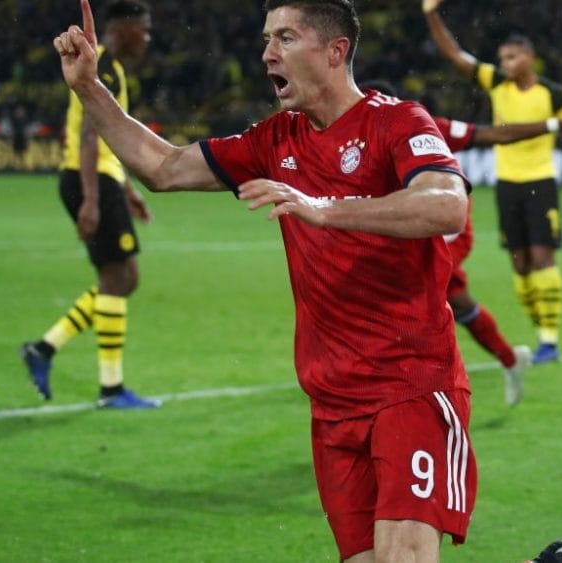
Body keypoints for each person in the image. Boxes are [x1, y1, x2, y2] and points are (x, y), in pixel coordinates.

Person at [53, 0, 474, 560]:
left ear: (334, 51)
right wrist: (89, 87)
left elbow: (447, 206)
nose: (266, 53)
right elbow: (164, 168)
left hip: (411, 387)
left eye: (284, 38)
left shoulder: (397, 122)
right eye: (266, 39)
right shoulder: (275, 141)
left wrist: (326, 209)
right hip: (331, 403)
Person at [360, 79, 562, 406]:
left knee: (408, 293)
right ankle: (508, 360)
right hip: (404, 232)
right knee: (457, 301)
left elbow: (496, 133)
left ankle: (405, 379)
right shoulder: (354, 138)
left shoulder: (424, 126)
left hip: (446, 231)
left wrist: (559, 123)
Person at [423, 0, 562, 365]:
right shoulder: (496, 83)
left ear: (529, 58)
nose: (504, 64)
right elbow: (455, 55)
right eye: (501, 58)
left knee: (542, 257)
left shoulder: (554, 95)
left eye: (511, 57)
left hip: (541, 181)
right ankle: (542, 325)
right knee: (521, 265)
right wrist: (431, 15)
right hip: (507, 185)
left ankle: (549, 341)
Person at [21, 0, 159, 409]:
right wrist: (93, 202)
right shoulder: (97, 63)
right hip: (90, 181)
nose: (147, 39)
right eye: (144, 30)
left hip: (101, 181)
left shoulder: (110, 69)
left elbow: (111, 141)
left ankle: (45, 350)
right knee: (120, 279)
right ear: (125, 27)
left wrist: (129, 192)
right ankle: (109, 388)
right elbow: (88, 137)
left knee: (121, 279)